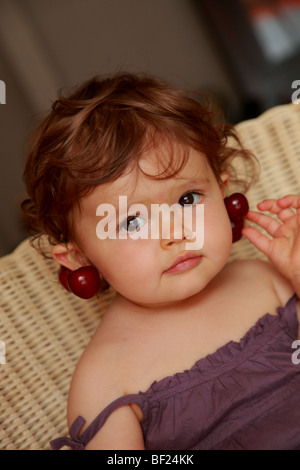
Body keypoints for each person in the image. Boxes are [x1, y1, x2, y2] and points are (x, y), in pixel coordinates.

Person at [21, 73, 300, 450]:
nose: (174, 233)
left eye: (187, 199)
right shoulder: (106, 378)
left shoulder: (269, 280)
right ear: (78, 256)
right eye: (131, 221)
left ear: (221, 189)